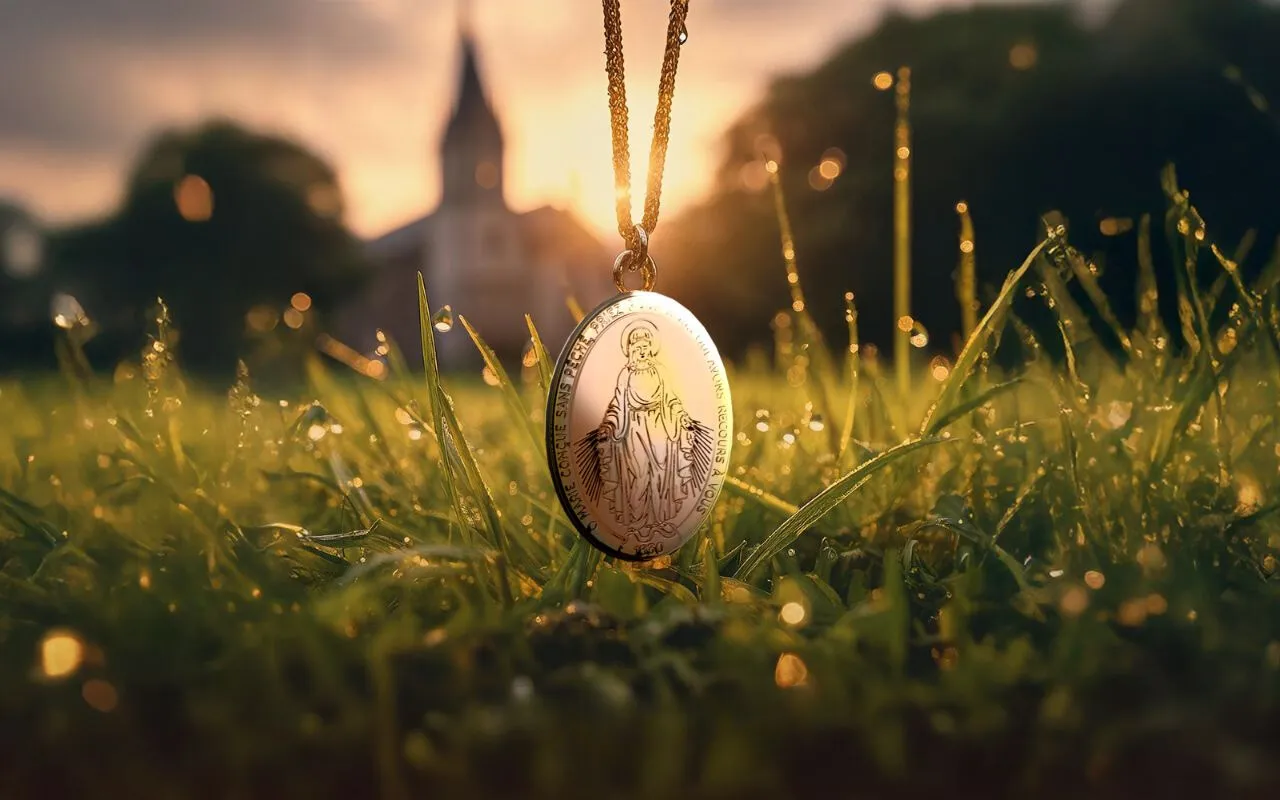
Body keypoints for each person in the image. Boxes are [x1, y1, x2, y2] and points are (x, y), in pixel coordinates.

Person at [580, 319, 701, 543]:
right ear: (630, 351)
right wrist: (608, 426)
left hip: (660, 427)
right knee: (640, 475)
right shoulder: (625, 375)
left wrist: (682, 417)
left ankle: (660, 521)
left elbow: (671, 399)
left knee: (661, 475)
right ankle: (637, 523)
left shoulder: (661, 372)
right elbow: (617, 404)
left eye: (646, 347)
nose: (642, 351)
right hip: (634, 429)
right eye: (637, 348)